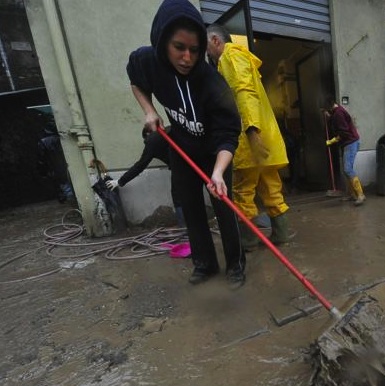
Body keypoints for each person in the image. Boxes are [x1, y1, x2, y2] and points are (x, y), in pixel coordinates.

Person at [126, 0, 246, 286]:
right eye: (179, 47)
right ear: (163, 42)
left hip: (214, 153)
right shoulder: (148, 61)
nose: (187, 58)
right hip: (181, 146)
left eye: (194, 50)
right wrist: (150, 110)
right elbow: (135, 80)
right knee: (190, 207)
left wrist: (217, 173)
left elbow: (229, 134)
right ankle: (204, 265)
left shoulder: (212, 83)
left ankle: (236, 265)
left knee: (224, 208)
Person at [206, 24, 292, 251]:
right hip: (267, 140)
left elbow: (244, 92)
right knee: (271, 189)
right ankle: (281, 234)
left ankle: (248, 241)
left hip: (249, 140)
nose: (207, 55)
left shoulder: (229, 57)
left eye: (207, 47)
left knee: (243, 192)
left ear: (215, 41)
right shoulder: (245, 58)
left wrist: (251, 131)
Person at [105, 126, 185, 227]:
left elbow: (140, 165)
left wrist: (120, 181)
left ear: (147, 134)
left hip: (180, 167)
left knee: (178, 197)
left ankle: (184, 227)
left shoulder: (152, 141)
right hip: (197, 160)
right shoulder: (170, 130)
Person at [323, 96, 366, 206]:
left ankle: (360, 194)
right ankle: (352, 194)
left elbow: (344, 133)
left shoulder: (338, 114)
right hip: (348, 143)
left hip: (350, 143)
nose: (325, 113)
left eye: (325, 110)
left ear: (329, 107)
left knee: (347, 169)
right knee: (347, 170)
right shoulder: (336, 112)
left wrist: (332, 141)